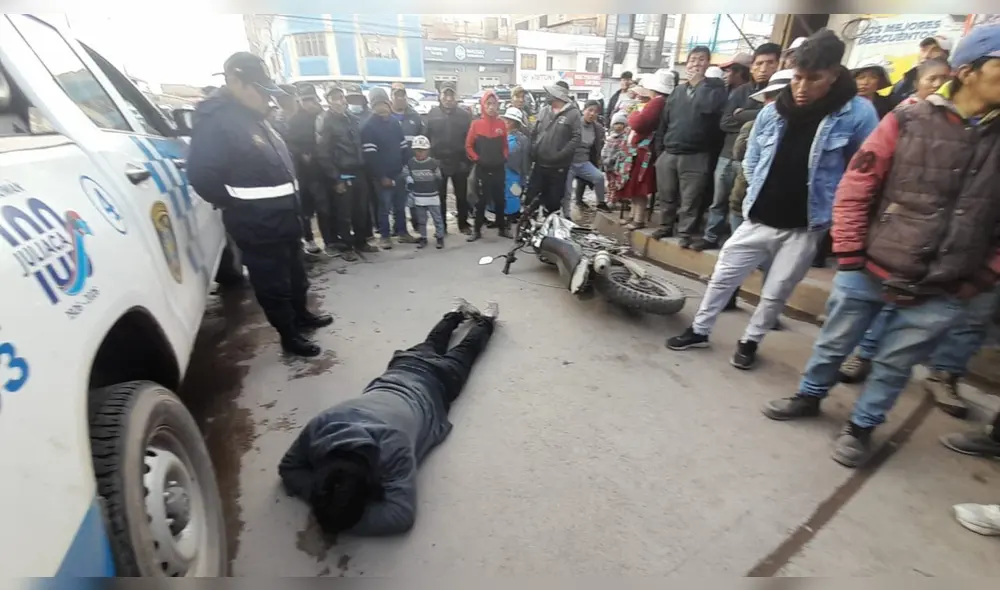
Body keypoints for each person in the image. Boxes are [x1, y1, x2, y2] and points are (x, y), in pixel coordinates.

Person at [760, 24, 1000, 468]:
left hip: (946, 284)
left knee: (895, 363)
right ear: (968, 71)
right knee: (834, 343)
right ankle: (809, 396)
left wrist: (982, 276)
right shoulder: (907, 120)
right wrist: (851, 254)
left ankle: (862, 428)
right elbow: (858, 185)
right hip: (871, 265)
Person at [666, 30, 879, 371]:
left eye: (813, 79)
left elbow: (863, 172)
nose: (802, 87)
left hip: (805, 226)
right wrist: (760, 193)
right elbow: (751, 159)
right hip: (758, 217)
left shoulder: (857, 114)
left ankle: (750, 341)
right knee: (723, 276)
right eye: (797, 78)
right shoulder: (774, 111)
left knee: (776, 290)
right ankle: (700, 330)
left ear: (834, 74)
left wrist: (833, 211)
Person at [278, 300, 499, 536]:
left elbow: (400, 517)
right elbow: (288, 468)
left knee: (465, 350)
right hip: (402, 368)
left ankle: (485, 320)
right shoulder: (324, 423)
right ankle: (456, 314)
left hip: (439, 383)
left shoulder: (393, 449)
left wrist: (338, 518)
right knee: (434, 341)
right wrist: (326, 502)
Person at [187, 52, 332, 357]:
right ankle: (289, 335)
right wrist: (239, 205)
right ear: (235, 81)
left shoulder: (255, 117)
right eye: (260, 89)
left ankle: (302, 316)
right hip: (257, 224)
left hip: (285, 217)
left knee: (295, 274)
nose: (267, 98)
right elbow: (201, 175)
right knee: (272, 283)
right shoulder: (216, 121)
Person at [700, 44, 782, 251]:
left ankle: (738, 244)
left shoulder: (782, 91)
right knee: (719, 200)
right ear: (752, 67)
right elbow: (725, 122)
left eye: (770, 63)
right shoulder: (741, 91)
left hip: (758, 159)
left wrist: (743, 115)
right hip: (728, 154)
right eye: (759, 63)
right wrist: (756, 118)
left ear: (778, 64)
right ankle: (711, 236)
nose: (763, 68)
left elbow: (776, 118)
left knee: (744, 204)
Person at [651, 45, 728, 247]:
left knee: (690, 198)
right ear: (686, 64)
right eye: (693, 60)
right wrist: (660, 152)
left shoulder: (715, 89)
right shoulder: (677, 91)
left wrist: (699, 84)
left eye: (701, 59)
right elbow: (664, 122)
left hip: (696, 154)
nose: (696, 64)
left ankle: (685, 232)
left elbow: (708, 110)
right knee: (666, 194)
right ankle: (665, 226)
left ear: (708, 63)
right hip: (670, 151)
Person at [316, 87, 379, 262]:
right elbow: (323, 153)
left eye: (341, 97)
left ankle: (361, 242)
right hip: (341, 173)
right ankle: (346, 246)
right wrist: (335, 178)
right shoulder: (325, 120)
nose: (340, 101)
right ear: (328, 101)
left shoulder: (351, 118)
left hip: (358, 170)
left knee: (361, 210)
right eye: (335, 98)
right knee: (344, 213)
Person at [617, 71, 673, 230]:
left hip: (644, 151)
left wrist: (632, 114)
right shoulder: (661, 102)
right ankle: (633, 215)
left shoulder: (657, 102)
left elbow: (639, 123)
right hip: (642, 150)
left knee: (639, 185)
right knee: (635, 185)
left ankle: (638, 219)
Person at [362, 88, 417, 249]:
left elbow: (403, 146)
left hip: (398, 172)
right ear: (373, 106)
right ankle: (385, 237)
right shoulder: (368, 127)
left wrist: (408, 167)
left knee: (400, 206)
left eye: (384, 104)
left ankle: (402, 233)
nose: (382, 108)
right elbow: (370, 157)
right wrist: (381, 177)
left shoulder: (394, 122)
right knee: (384, 208)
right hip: (382, 176)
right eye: (378, 105)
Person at [425, 84, 474, 235]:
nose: (448, 98)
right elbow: (426, 137)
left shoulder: (464, 115)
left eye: (451, 95)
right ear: (440, 96)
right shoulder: (432, 114)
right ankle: (442, 227)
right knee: (440, 197)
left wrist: (467, 161)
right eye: (445, 95)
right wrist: (430, 160)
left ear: (456, 97)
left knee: (462, 195)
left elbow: (470, 138)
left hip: (459, 161)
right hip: (438, 161)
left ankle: (463, 224)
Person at [527, 83, 582, 216]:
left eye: (550, 93)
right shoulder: (544, 110)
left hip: (558, 168)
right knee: (531, 197)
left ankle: (550, 223)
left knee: (553, 201)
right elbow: (535, 132)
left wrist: (560, 155)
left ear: (558, 96)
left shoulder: (573, 113)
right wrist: (534, 148)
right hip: (540, 164)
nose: (547, 96)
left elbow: (576, 138)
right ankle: (529, 223)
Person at [465, 90, 509, 241]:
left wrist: (504, 157)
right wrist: (477, 159)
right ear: (483, 105)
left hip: (498, 169)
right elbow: (468, 146)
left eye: (494, 104)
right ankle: (477, 230)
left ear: (498, 106)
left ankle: (502, 228)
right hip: (482, 169)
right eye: (488, 104)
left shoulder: (501, 124)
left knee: (500, 199)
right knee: (481, 201)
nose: (491, 107)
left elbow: (505, 145)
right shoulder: (476, 124)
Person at [402, 135, 445, 249]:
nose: (420, 153)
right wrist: (408, 179)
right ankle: (423, 238)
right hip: (418, 196)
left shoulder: (433, 163)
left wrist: (435, 189)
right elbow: (405, 173)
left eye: (422, 150)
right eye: (417, 150)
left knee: (437, 218)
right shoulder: (411, 163)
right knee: (421, 220)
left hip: (432, 195)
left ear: (427, 150)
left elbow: (439, 178)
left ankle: (440, 237)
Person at [566, 100, 608, 212]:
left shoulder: (597, 128)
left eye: (596, 112)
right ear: (583, 110)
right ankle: (566, 213)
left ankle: (601, 203)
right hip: (569, 163)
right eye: (590, 110)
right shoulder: (574, 124)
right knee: (567, 191)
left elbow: (598, 147)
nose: (592, 114)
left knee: (599, 177)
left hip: (584, 162)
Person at [889, 35, 953, 104]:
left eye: (935, 50)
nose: (926, 55)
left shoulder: (953, 80)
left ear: (946, 55)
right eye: (924, 50)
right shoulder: (909, 76)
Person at [501, 107, 531, 223]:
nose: (507, 122)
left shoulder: (522, 139)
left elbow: (525, 159)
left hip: (515, 173)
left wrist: (524, 176)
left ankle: (512, 216)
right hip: (501, 171)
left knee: (513, 194)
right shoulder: (501, 135)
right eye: (506, 119)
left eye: (510, 120)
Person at [603, 111, 629, 205]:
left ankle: (613, 199)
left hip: (618, 165)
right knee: (610, 182)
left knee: (617, 182)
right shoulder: (610, 138)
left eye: (621, 124)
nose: (618, 126)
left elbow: (623, 152)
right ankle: (610, 198)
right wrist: (604, 159)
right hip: (608, 164)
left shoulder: (625, 139)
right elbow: (604, 150)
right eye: (616, 124)